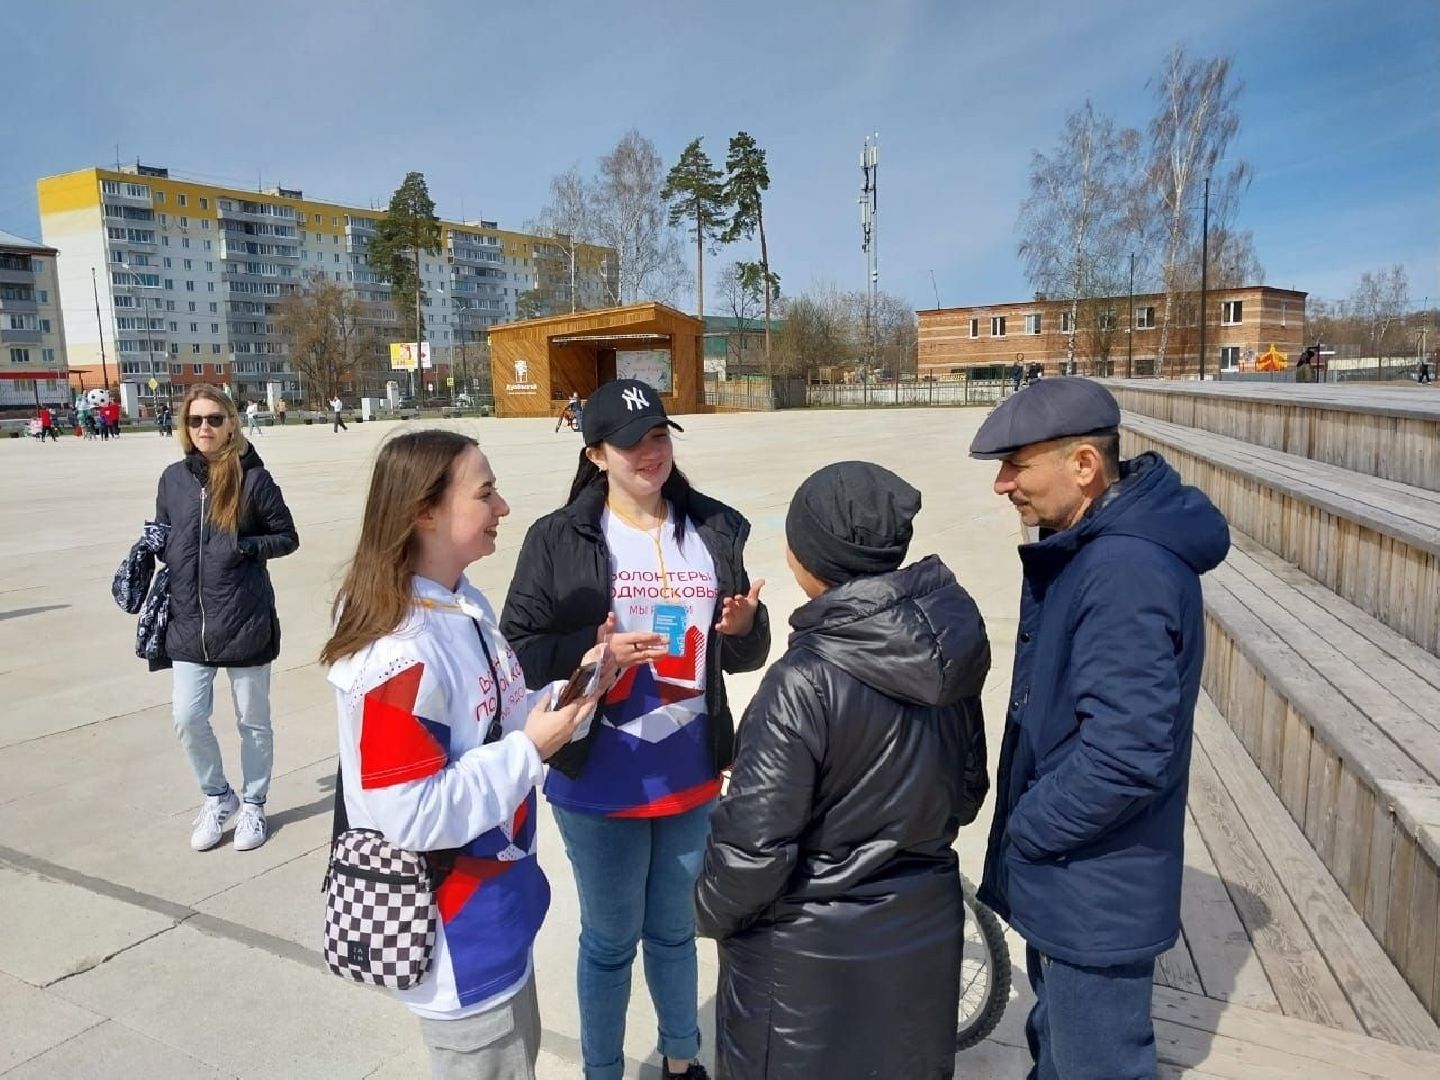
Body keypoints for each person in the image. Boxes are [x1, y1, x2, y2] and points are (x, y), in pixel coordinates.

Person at [321, 429, 614, 1079]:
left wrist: (577, 689)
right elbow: (412, 813)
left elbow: (501, 717)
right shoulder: (397, 653)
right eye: (485, 494)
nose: (503, 507)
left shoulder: (462, 602)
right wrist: (531, 750)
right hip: (456, 936)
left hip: (499, 911)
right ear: (424, 512)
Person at [501, 378, 771, 1080]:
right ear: (594, 454)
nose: (650, 454)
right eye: (629, 444)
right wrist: (590, 651)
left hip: (690, 771)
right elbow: (517, 650)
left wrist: (745, 627)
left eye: (657, 437)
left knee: (676, 933)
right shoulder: (558, 538)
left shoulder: (713, 529)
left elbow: (740, 653)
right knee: (611, 941)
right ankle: (603, 1071)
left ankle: (683, 1060)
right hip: (599, 774)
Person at [968, 379, 1229, 1080]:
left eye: (1016, 464)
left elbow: (1124, 755)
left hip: (1093, 888)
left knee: (1094, 1063)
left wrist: (1030, 829)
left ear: (1083, 464)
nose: (1002, 484)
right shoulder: (1089, 544)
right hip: (1075, 876)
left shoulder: (1123, 569)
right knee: (1058, 1049)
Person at [695, 461, 992, 1079]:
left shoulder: (803, 682)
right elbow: (966, 793)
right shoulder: (951, 646)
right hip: (921, 933)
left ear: (809, 557)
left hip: (805, 967)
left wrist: (704, 909)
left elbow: (751, 856)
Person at [155, 385, 299, 853]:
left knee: (253, 722)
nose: (205, 428)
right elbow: (165, 534)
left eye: (215, 419)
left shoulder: (254, 479)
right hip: (188, 621)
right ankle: (218, 796)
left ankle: (254, 803)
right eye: (196, 420)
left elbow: (287, 536)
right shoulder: (172, 480)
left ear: (232, 423)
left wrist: (244, 547)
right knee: (187, 717)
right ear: (185, 427)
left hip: (243, 618)